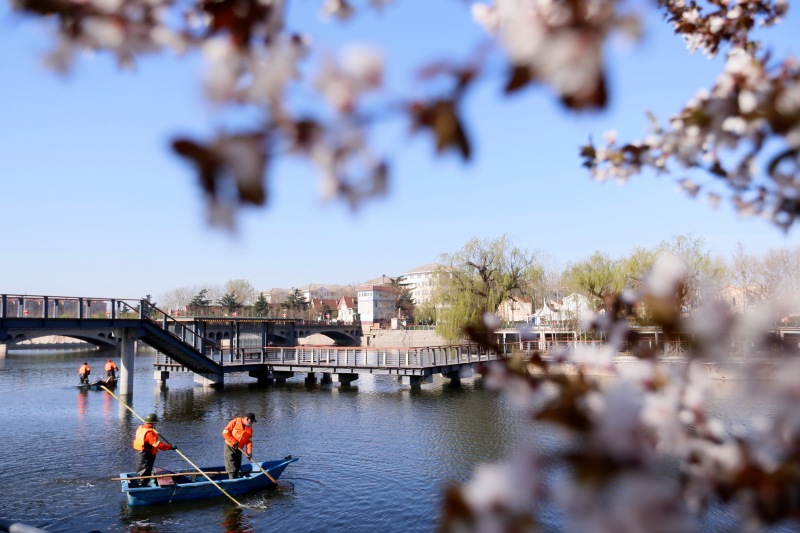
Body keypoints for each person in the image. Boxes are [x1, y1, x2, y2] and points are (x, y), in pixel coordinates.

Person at [132, 413, 176, 487]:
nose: (156, 424)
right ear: (152, 423)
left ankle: (141, 483)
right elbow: (158, 445)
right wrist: (170, 447)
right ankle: (142, 485)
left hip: (139, 452)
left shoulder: (141, 428)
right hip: (146, 454)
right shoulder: (149, 433)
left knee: (141, 469)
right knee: (144, 470)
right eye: (155, 423)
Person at [222, 413, 256, 479]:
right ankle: (232, 482)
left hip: (239, 448)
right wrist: (233, 441)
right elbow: (225, 432)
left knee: (237, 466)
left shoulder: (249, 427)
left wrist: (249, 452)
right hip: (230, 447)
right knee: (232, 468)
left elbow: (249, 440)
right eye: (251, 421)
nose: (251, 423)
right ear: (246, 419)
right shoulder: (235, 422)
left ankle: (237, 478)